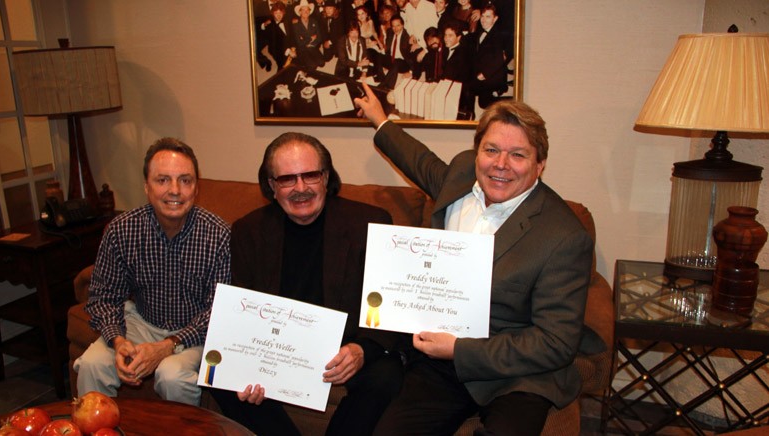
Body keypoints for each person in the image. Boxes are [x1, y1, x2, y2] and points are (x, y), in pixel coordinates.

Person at [354, 85, 599, 435]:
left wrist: (459, 349)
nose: (500, 164)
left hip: (518, 374)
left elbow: (554, 343)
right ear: (477, 151)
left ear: (540, 164)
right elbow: (419, 161)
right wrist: (380, 120)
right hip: (442, 366)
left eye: (518, 155)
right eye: (491, 150)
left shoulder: (564, 236)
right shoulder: (459, 175)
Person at [210, 132, 407, 436]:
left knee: (385, 377)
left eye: (310, 175)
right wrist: (247, 364)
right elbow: (243, 311)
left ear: (326, 177)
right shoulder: (249, 231)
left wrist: (361, 349)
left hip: (344, 348)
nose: (301, 188)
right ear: (272, 185)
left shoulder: (369, 223)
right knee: (220, 378)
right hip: (278, 351)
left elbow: (390, 304)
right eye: (287, 179)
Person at [74, 138, 231, 406]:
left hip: (194, 332)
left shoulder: (219, 235)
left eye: (185, 180)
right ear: (147, 187)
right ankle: (97, 424)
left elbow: (219, 311)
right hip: (142, 321)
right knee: (92, 365)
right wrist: (118, 340)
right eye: (163, 180)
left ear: (196, 188)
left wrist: (167, 346)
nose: (175, 190)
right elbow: (103, 297)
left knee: (172, 376)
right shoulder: (122, 230)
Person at [289, 0, 326, 70]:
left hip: (313, 46)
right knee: (312, 66)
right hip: (303, 49)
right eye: (303, 10)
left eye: (307, 10)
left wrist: (311, 44)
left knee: (322, 63)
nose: (306, 12)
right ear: (300, 12)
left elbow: (319, 37)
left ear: (310, 11)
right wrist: (311, 39)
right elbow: (299, 42)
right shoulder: (295, 24)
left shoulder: (314, 21)